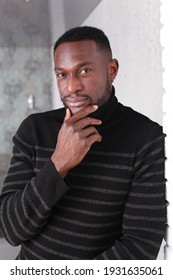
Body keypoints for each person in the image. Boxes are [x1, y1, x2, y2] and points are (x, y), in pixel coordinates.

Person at [0, 26, 166, 260]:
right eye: (62, 74)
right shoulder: (34, 130)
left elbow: (139, 245)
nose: (71, 87)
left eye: (84, 70)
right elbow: (11, 231)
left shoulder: (146, 139)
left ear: (112, 70)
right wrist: (58, 164)